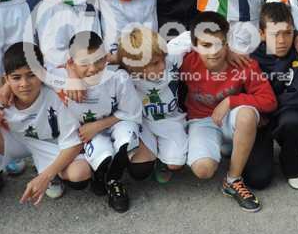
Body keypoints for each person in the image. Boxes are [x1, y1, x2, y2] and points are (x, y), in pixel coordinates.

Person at [0, 42, 91, 234]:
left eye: (31, 75)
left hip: (52, 146)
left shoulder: (56, 92)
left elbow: (73, 144)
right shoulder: (4, 96)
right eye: (16, 78)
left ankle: (49, 173)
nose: (24, 84)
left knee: (80, 174)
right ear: (6, 79)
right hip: (16, 143)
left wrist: (45, 176)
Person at [182, 11, 277, 212]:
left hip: (231, 119)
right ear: (195, 46)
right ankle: (225, 148)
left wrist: (231, 100)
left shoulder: (243, 63)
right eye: (206, 45)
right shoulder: (185, 61)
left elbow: (270, 101)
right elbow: (158, 52)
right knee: (203, 170)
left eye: (219, 44)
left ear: (227, 42)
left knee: (247, 115)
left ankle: (233, 180)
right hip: (202, 121)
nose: (214, 52)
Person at [55, 31, 143, 212]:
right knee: (103, 154)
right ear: (71, 63)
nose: (93, 68)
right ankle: (99, 175)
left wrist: (98, 126)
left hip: (114, 123)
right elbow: (33, 74)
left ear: (106, 57)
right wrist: (71, 74)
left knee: (127, 138)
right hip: (87, 133)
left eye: (98, 60)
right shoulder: (63, 81)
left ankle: (114, 181)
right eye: (84, 63)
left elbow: (131, 112)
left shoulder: (118, 77)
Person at [248, 2, 298, 190]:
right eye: (275, 34)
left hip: (285, 115)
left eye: (288, 33)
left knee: (294, 120)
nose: (282, 40)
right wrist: (260, 113)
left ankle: (290, 161)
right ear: (262, 34)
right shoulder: (251, 57)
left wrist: (269, 107)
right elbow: (247, 94)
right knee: (257, 180)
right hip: (260, 120)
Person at [116, 26, 189, 183]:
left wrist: (230, 50)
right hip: (144, 122)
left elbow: (195, 35)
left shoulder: (172, 57)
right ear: (134, 67)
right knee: (139, 171)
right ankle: (151, 154)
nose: (162, 66)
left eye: (163, 59)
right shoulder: (124, 77)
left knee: (176, 164)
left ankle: (163, 159)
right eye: (155, 63)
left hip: (170, 120)